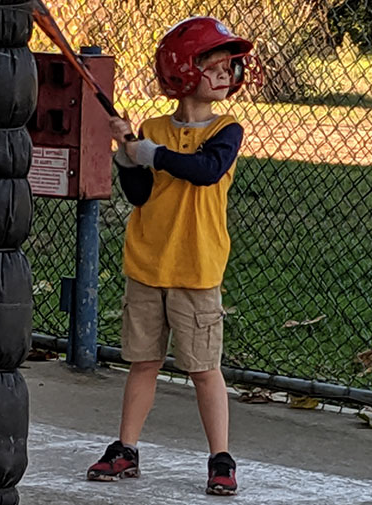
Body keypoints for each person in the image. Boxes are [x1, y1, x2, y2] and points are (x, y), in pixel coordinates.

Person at [85, 17, 262, 496]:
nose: (228, 72)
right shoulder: (153, 129)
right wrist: (126, 152)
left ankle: (220, 458)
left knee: (204, 368)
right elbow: (140, 194)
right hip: (147, 266)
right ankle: (125, 449)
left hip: (196, 270)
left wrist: (151, 154)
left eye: (230, 64)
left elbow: (205, 170)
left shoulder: (227, 130)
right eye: (215, 64)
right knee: (143, 362)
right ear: (184, 70)